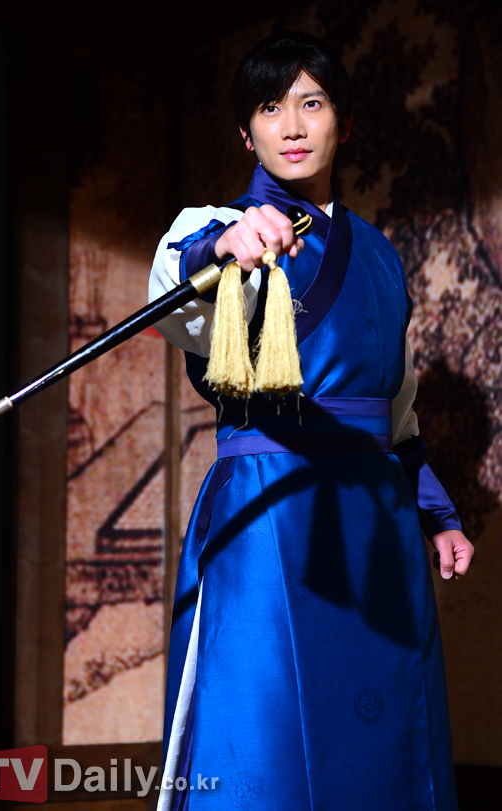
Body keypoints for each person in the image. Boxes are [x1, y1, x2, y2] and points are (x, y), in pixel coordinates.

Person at [149, 31, 474, 811]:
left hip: (376, 523)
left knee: (387, 742)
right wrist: (220, 247)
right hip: (271, 511)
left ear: (345, 122)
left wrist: (436, 514)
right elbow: (173, 292)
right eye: (270, 108)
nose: (291, 126)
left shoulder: (381, 258)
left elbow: (397, 410)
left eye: (312, 103)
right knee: (260, 730)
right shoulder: (219, 229)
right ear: (246, 133)